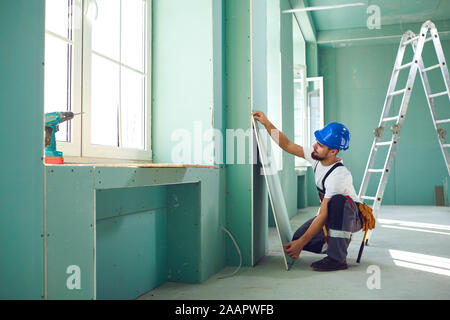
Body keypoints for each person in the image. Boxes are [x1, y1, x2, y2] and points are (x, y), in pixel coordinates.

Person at [252, 110, 363, 271]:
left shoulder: (339, 175)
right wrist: (266, 123)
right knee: (297, 238)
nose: (314, 146)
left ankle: (337, 258)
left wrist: (301, 245)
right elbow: (287, 145)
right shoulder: (316, 157)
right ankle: (336, 243)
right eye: (316, 141)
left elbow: (323, 213)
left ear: (333, 151)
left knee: (338, 202)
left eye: (320, 145)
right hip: (333, 214)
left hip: (352, 217)